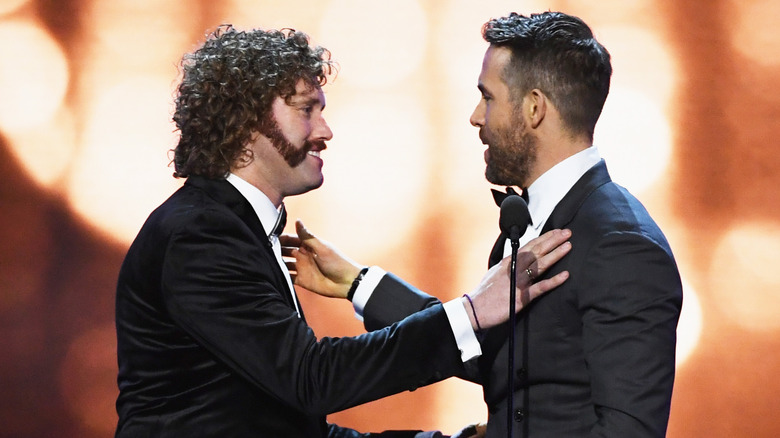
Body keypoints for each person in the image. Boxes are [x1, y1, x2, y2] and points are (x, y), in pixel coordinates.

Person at [113, 25, 573, 438]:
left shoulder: (231, 227)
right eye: (305, 110)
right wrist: (471, 312)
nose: (325, 130)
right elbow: (312, 381)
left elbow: (289, 424)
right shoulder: (200, 236)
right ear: (244, 124)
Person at [292, 11, 683, 438]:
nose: (476, 117)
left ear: (534, 108)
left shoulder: (621, 245)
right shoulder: (527, 225)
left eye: (488, 97)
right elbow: (499, 355)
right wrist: (360, 283)